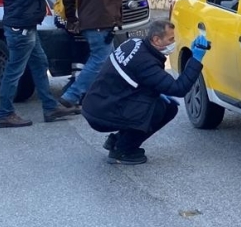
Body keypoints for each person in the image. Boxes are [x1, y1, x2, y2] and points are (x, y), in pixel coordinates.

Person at [81, 20, 210, 164]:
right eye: (171, 39)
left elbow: (136, 80)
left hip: (98, 104)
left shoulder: (135, 43)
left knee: (159, 103)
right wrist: (196, 59)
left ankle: (116, 141)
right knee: (164, 110)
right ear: (156, 39)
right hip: (103, 113)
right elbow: (179, 89)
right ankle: (123, 150)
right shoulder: (146, 63)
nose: (173, 42)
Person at [0, 0, 79, 128]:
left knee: (40, 64)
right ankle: (5, 113)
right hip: (22, 24)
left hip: (20, 22)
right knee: (15, 69)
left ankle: (50, 107)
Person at [59, 0, 143, 109]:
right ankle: (71, 95)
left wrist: (72, 19)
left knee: (111, 61)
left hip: (87, 22)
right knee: (98, 60)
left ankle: (112, 95)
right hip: (103, 21)